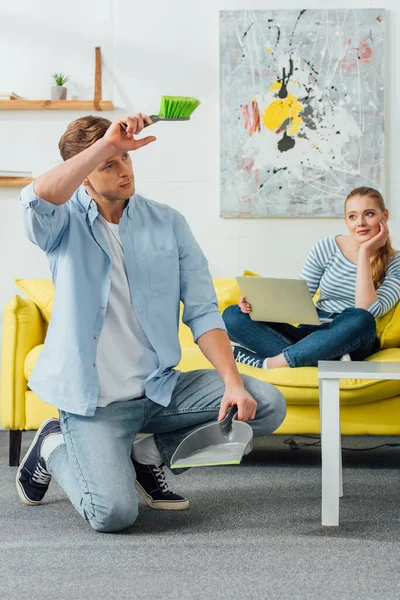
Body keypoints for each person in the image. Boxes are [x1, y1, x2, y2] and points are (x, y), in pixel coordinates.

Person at [16, 113, 286, 533]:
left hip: (160, 390)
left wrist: (233, 382)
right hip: (96, 404)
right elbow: (34, 197)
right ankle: (53, 443)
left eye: (125, 159)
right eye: (110, 163)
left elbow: (202, 311)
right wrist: (103, 146)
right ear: (86, 173)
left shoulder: (168, 223)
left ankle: (146, 456)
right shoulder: (61, 223)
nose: (124, 170)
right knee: (113, 514)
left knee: (265, 403)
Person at [223, 187, 400, 369]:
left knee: (361, 319)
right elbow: (300, 298)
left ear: (384, 216)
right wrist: (257, 305)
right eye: (353, 216)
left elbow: (368, 310)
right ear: (346, 221)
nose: (360, 223)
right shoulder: (327, 247)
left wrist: (364, 252)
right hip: (309, 333)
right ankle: (315, 358)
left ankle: (271, 362)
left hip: (351, 337)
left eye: (369, 214)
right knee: (232, 315)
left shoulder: (396, 263)